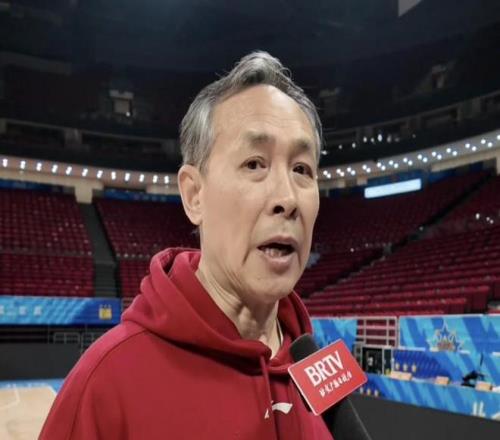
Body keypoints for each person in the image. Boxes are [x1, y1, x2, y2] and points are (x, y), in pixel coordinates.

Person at [40, 51, 331, 439]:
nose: (288, 198)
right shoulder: (104, 383)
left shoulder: (318, 368)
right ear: (194, 195)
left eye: (302, 169)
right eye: (254, 164)